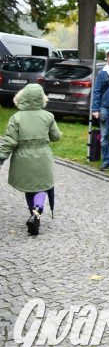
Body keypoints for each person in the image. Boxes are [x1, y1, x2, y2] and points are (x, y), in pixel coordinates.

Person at [0, 84, 62, 235]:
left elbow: (10, 141)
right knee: (41, 186)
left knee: (29, 187)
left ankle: (34, 215)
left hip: (22, 158)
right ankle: (37, 212)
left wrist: (1, 157)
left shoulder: (16, 118)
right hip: (43, 158)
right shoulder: (48, 116)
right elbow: (56, 137)